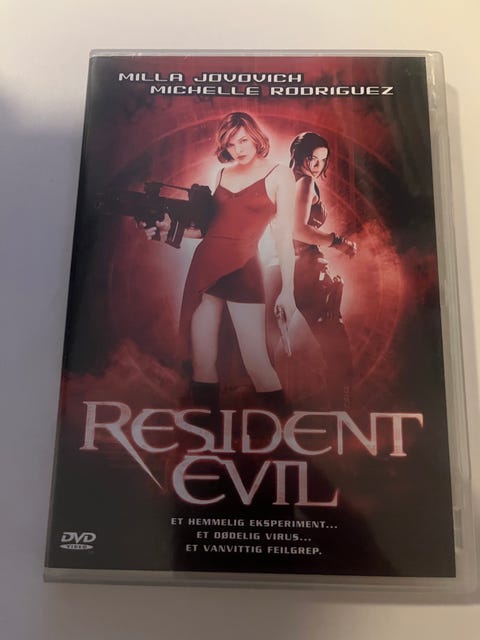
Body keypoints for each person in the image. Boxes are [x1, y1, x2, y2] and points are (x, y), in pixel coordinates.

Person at [146, 112, 296, 412]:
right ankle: (207, 432)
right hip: (205, 268)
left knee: (256, 362)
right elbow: (208, 231)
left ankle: (286, 428)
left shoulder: (280, 174)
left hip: (243, 268)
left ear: (256, 137)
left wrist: (288, 291)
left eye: (243, 140)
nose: (238, 149)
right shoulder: (221, 174)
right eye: (230, 144)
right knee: (202, 363)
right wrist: (165, 232)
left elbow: (284, 238)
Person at [289, 131, 356, 408]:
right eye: (312, 158)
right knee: (338, 353)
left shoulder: (282, 180)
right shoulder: (304, 182)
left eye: (323, 159)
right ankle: (343, 413)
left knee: (328, 350)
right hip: (308, 273)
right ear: (298, 155)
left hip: (296, 272)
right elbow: (298, 230)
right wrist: (339, 242)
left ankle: (338, 411)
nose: (317, 165)